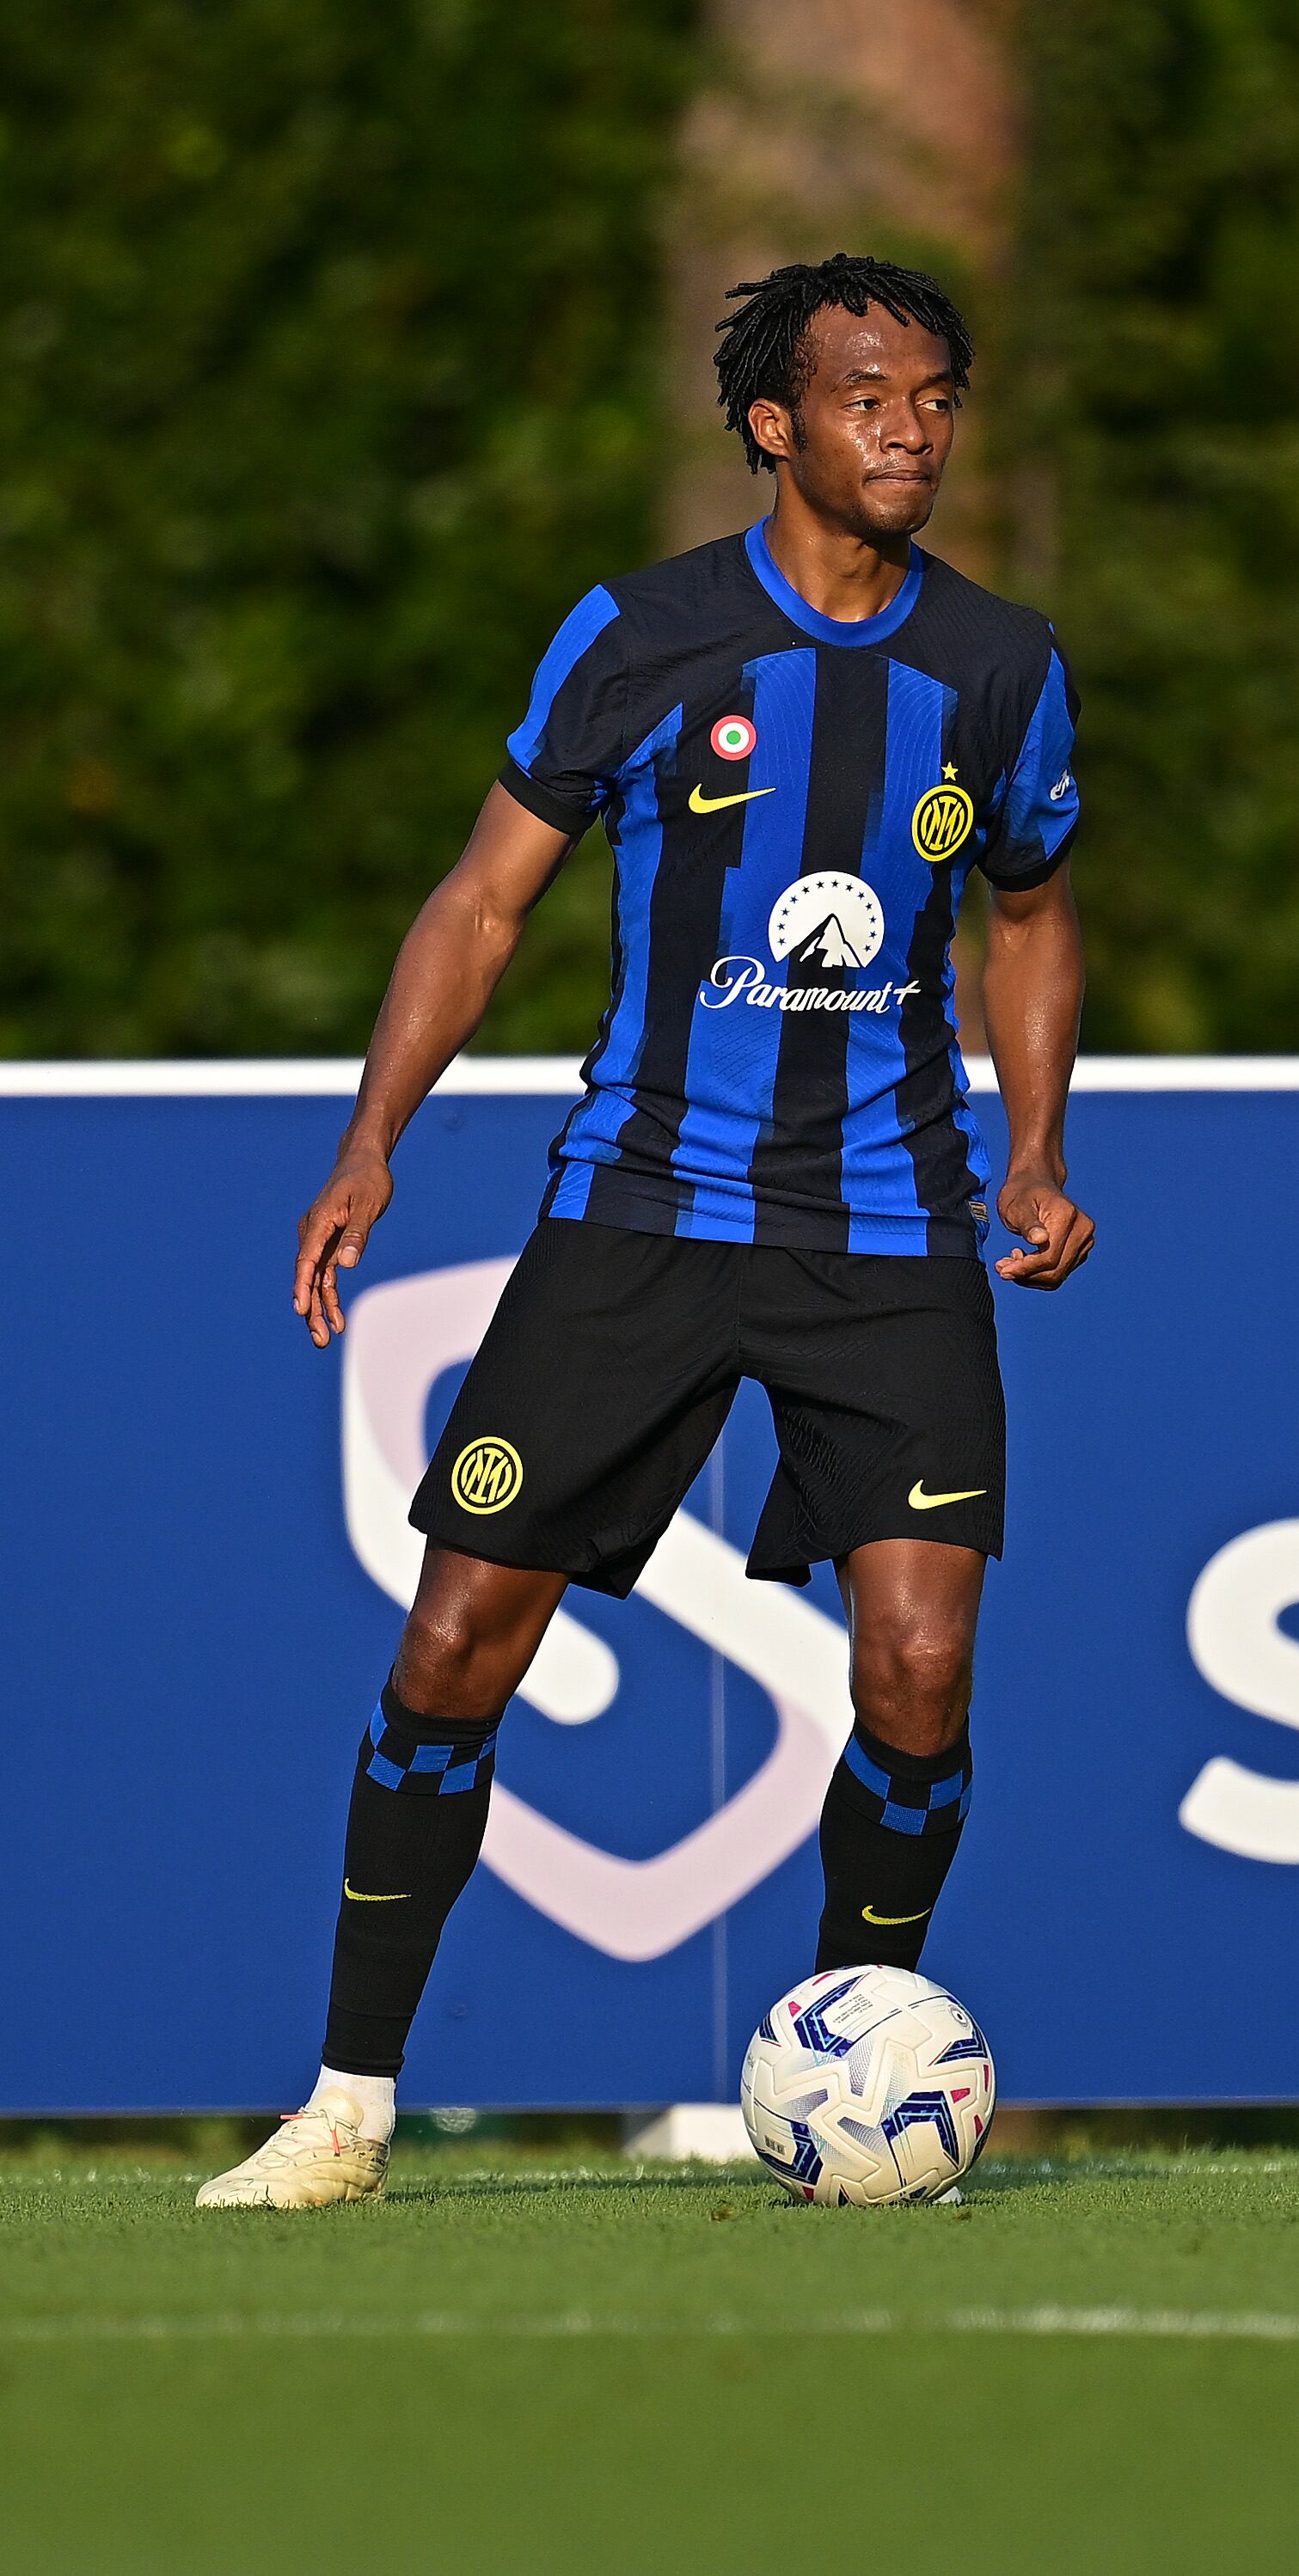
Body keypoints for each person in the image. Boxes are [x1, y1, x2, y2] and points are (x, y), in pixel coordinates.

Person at [198, 253, 1091, 2209]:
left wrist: (1033, 1148)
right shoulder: (641, 635)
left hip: (890, 1234)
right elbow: (483, 899)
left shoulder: (999, 663)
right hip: (641, 1213)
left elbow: (1028, 911)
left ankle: (856, 2073)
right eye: (869, 397)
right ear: (776, 423)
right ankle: (344, 2108)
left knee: (917, 1671)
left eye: (938, 399)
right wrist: (371, 1140)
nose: (913, 432)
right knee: (456, 1642)